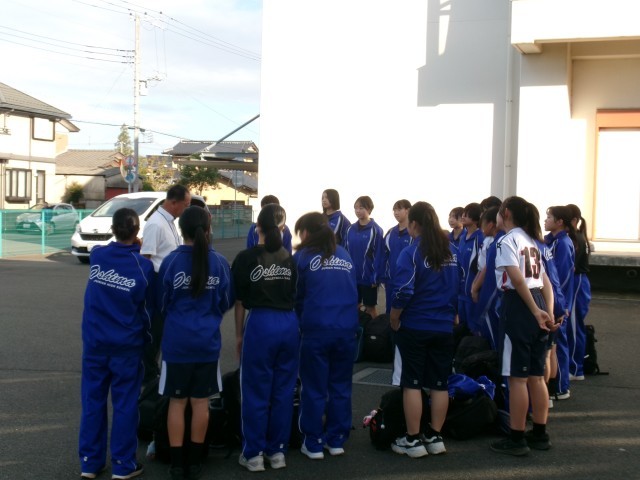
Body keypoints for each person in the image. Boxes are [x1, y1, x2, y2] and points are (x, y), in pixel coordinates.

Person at [158, 206, 234, 480]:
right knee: (201, 403)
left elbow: (161, 302)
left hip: (177, 344)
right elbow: (226, 301)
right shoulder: (220, 262)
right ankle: (195, 461)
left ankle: (177, 464)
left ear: (181, 229)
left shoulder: (171, 262)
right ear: (208, 228)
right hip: (207, 343)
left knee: (177, 402)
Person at [79, 208, 155, 480]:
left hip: (95, 342)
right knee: (125, 404)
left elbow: (104, 247)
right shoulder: (143, 267)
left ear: (112, 229)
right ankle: (123, 464)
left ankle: (90, 462)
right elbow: (147, 312)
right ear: (137, 232)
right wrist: (148, 342)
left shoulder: (98, 255)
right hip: (126, 346)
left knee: (93, 401)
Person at [389, 202, 459, 458]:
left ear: (414, 224)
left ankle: (412, 439)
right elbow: (458, 285)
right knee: (440, 383)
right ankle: (435, 435)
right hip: (444, 326)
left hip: (416, 325)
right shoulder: (452, 252)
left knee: (412, 383)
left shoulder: (411, 252)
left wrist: (394, 317)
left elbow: (403, 290)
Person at [232, 204, 299, 472]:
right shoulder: (289, 259)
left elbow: (239, 301)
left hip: (260, 323)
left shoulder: (246, 258)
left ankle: (254, 454)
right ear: (282, 227)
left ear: (257, 227)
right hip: (289, 324)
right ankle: (277, 451)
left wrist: (239, 335)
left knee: (255, 390)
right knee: (283, 391)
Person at [490, 196, 557, 456]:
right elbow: (545, 281)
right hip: (537, 299)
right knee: (537, 376)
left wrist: (535, 311)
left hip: (519, 306)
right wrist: (547, 311)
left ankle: (517, 436)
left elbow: (517, 280)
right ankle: (540, 432)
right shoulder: (532, 241)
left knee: (517, 378)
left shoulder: (507, 240)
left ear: (506, 213)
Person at [293, 212, 359, 460]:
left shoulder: (302, 257)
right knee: (340, 386)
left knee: (313, 387)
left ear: (307, 232)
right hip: (346, 330)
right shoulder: (344, 255)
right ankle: (336, 439)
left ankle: (313, 442)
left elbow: (296, 296)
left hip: (316, 330)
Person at [140, 185, 191, 384]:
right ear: (173, 202)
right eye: (185, 205)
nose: (186, 209)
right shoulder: (156, 223)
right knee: (155, 329)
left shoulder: (169, 222)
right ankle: (148, 375)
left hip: (168, 282)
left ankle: (153, 371)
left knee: (162, 330)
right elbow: (146, 258)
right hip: (156, 282)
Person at [544, 206, 576, 401]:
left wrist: (559, 305)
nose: (545, 220)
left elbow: (561, 278)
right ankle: (557, 385)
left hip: (558, 302)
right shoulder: (552, 241)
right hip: (555, 301)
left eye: (549, 217)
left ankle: (562, 386)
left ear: (560, 222)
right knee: (554, 345)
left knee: (559, 344)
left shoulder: (563, 243)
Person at [344, 195, 385, 318]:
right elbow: (344, 252)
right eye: (355, 208)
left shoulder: (376, 230)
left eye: (361, 208)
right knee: (353, 306)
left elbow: (379, 255)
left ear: (369, 209)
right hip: (352, 277)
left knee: (370, 308)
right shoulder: (350, 229)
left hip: (368, 278)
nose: (358, 211)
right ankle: (356, 329)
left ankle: (374, 329)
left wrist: (375, 277)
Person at [566, 203, 592, 381]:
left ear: (574, 220)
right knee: (573, 325)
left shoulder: (576, 239)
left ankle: (576, 369)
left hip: (577, 282)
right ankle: (574, 366)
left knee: (575, 326)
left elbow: (571, 266)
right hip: (579, 282)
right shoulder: (578, 236)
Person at [382, 199, 413, 314]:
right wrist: (383, 275)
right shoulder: (390, 233)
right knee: (390, 312)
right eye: (394, 210)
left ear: (408, 210)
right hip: (391, 280)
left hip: (409, 282)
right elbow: (383, 255)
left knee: (407, 313)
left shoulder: (414, 233)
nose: (396, 213)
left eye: (399, 209)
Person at [457, 202, 484, 334]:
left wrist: (476, 288)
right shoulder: (462, 237)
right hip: (460, 292)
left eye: (467, 215)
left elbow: (482, 267)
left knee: (473, 329)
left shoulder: (480, 238)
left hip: (472, 293)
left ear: (475, 219)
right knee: (461, 328)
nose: (463, 216)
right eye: (463, 214)